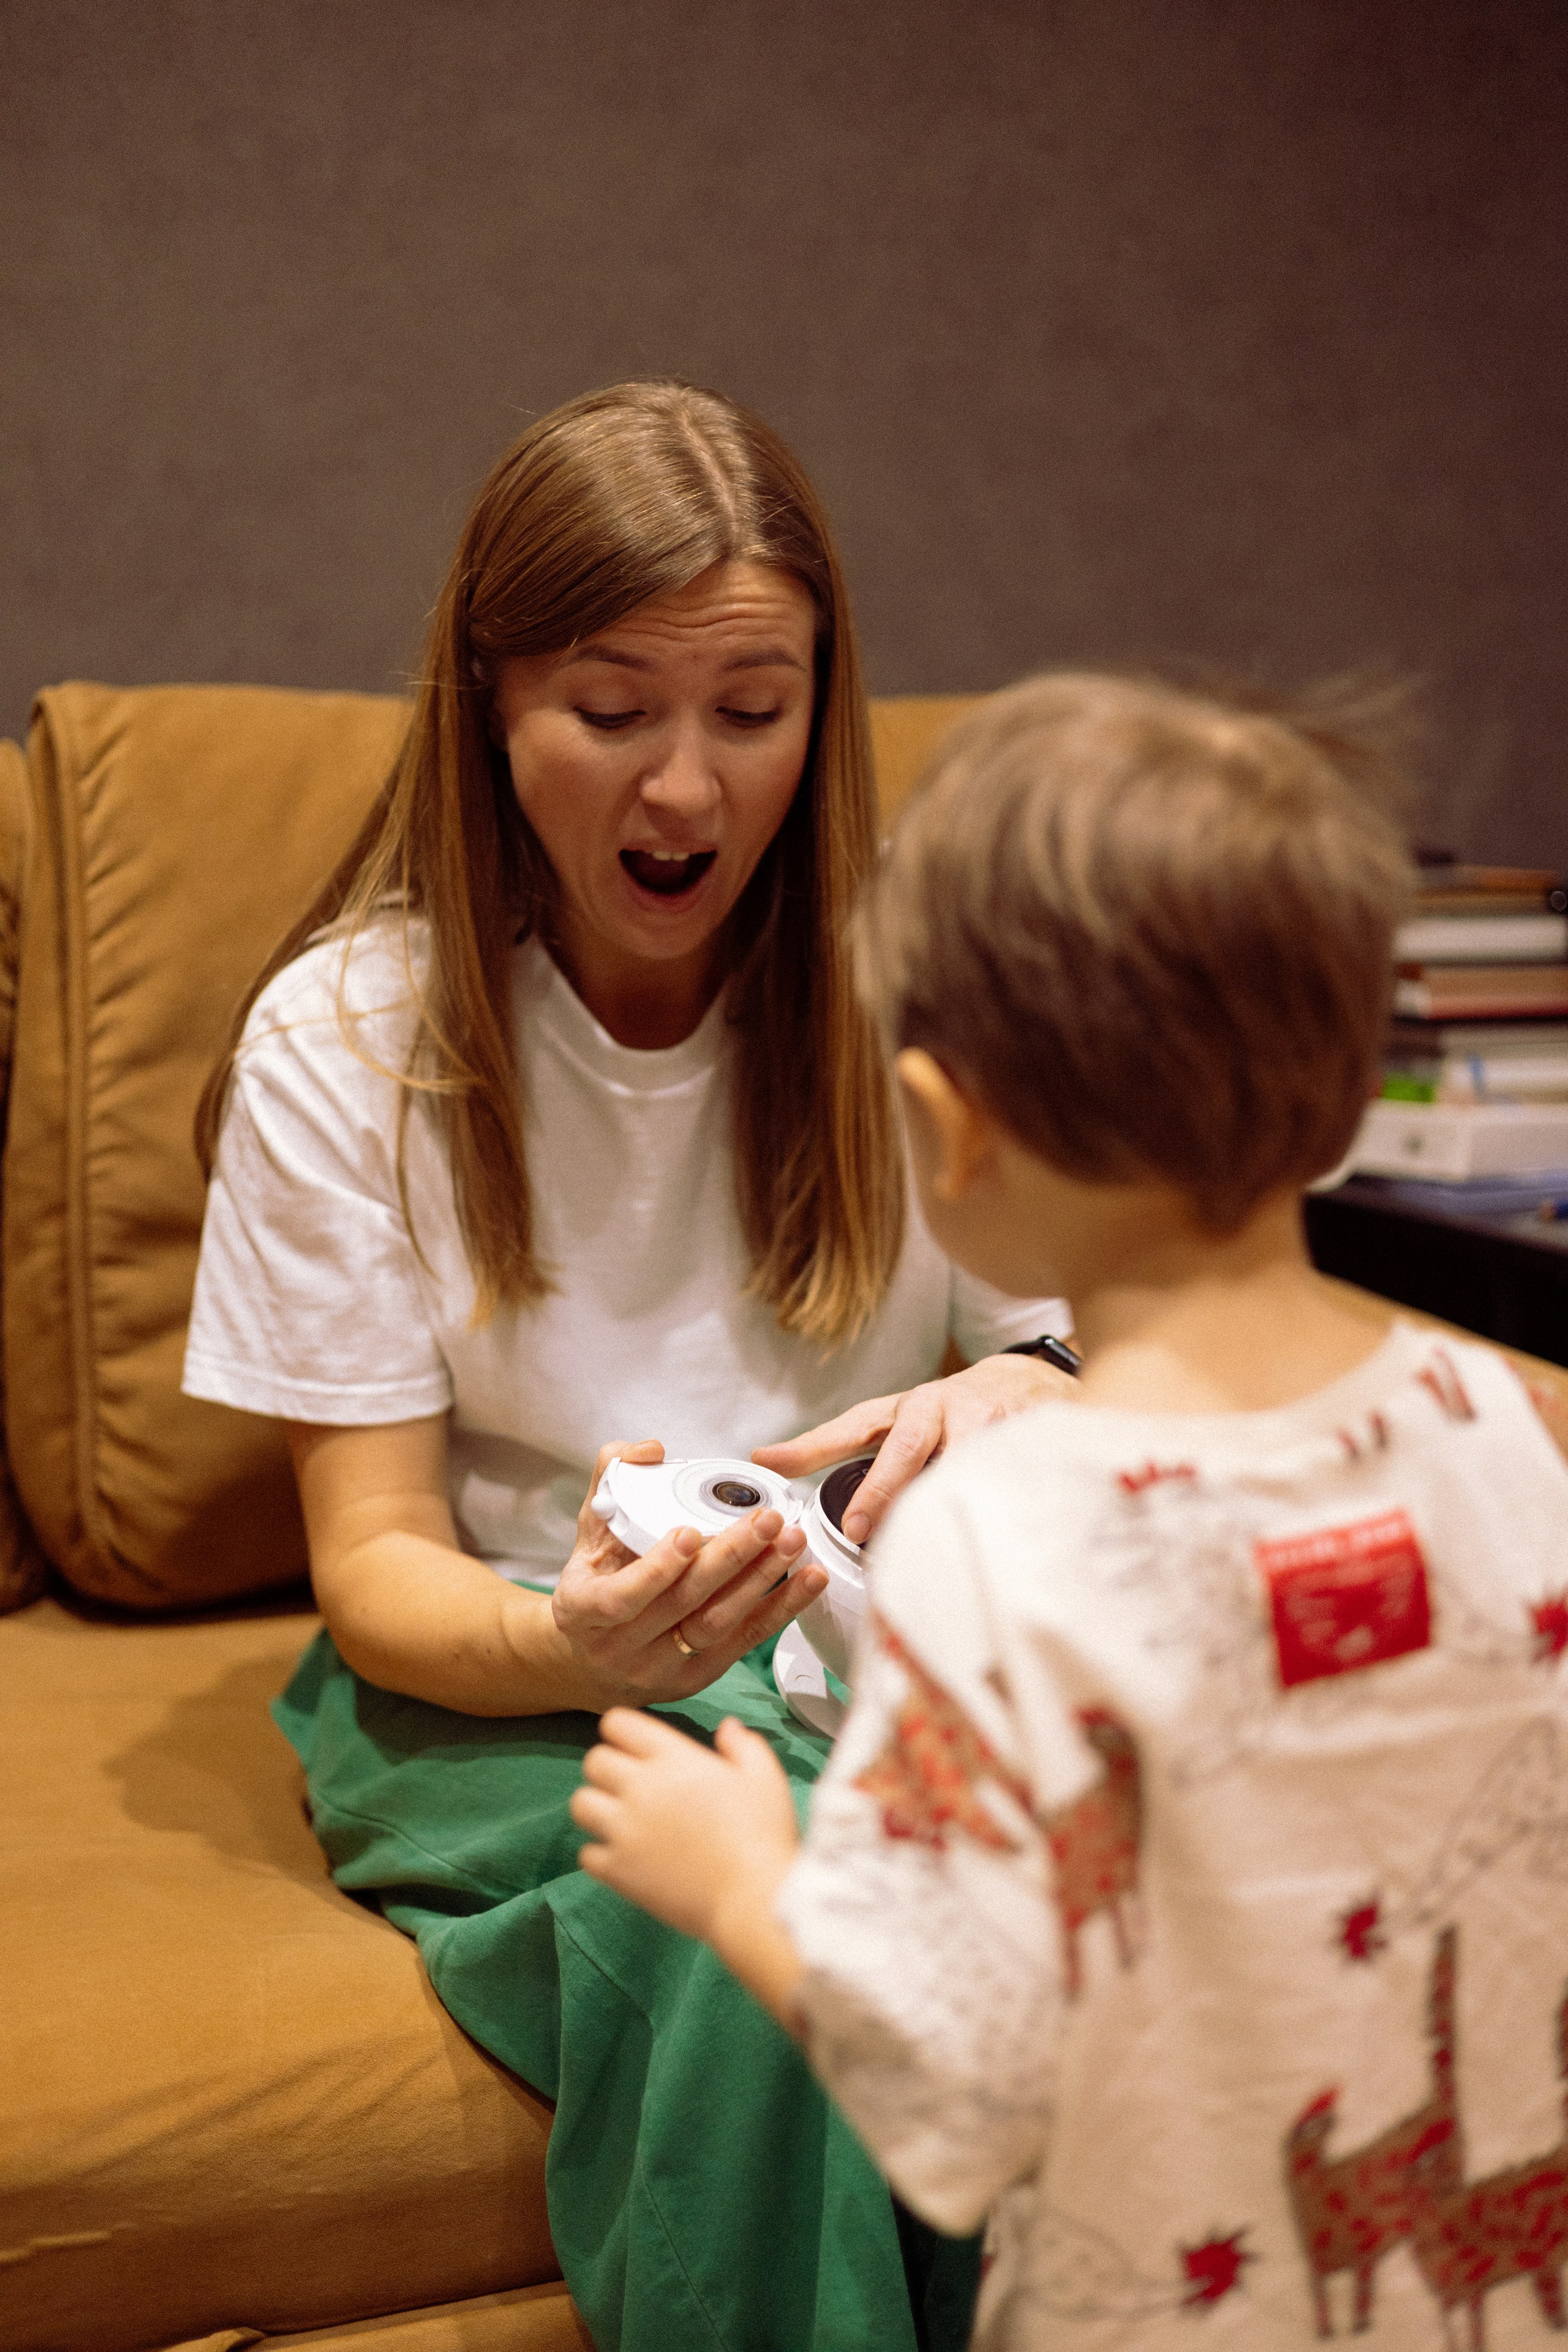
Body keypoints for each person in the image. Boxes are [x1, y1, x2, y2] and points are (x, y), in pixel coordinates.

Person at [181, 380, 1072, 2352]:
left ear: (823, 709)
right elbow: (377, 1564)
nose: (684, 792)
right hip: (485, 1670)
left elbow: (1102, 1345)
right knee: (777, 1928)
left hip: (857, 1655)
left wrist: (1054, 1383)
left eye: (753, 712)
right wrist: (576, 1647)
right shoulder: (348, 1037)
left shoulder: (925, 985)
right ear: (491, 706)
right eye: (610, 711)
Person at [573, 672, 1568, 2350]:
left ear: (951, 1130)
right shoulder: (1502, 1423)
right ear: (1349, 1094)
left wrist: (743, 1882)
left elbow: (949, 2088)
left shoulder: (1002, 1535)